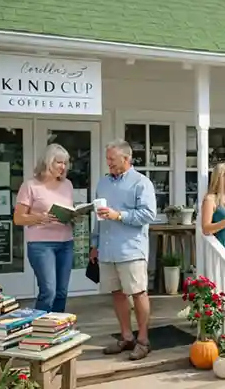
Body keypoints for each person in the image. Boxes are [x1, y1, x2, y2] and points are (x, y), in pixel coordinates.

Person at [89, 139, 157, 361]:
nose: (108, 162)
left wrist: (119, 215)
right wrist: (94, 244)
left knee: (138, 293)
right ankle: (126, 337)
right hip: (107, 250)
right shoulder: (103, 183)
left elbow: (148, 215)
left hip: (131, 249)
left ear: (126, 159)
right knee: (117, 293)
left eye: (112, 159)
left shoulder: (141, 183)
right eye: (107, 158)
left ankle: (144, 340)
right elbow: (98, 218)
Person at [14, 144, 74, 313]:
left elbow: (68, 209)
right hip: (41, 245)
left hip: (66, 243)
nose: (63, 167)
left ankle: (57, 329)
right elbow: (18, 219)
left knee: (61, 292)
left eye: (65, 163)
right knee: (49, 291)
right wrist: (41, 217)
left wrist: (75, 216)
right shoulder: (30, 186)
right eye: (59, 162)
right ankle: (40, 331)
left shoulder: (67, 185)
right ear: (48, 162)